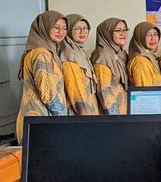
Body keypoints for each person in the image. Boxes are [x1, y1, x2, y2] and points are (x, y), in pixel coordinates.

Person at [16, 11, 69, 143]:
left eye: (64, 28)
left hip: (35, 118)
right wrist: (64, 119)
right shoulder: (42, 54)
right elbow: (48, 95)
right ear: (45, 27)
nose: (61, 31)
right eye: (56, 27)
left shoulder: (42, 51)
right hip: (42, 119)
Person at [60, 14, 100, 115]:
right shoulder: (69, 55)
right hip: (79, 114)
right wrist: (88, 119)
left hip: (88, 110)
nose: (83, 32)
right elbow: (77, 94)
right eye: (77, 28)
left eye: (86, 28)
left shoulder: (78, 50)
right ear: (68, 30)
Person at [91, 18, 129, 114]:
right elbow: (104, 92)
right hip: (113, 116)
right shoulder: (102, 56)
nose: (123, 33)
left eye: (125, 29)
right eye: (117, 30)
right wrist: (116, 119)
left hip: (125, 112)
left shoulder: (122, 54)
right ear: (107, 33)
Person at [127, 22, 161, 87]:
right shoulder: (140, 62)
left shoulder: (152, 58)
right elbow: (144, 94)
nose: (153, 38)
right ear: (140, 37)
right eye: (148, 35)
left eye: (156, 34)